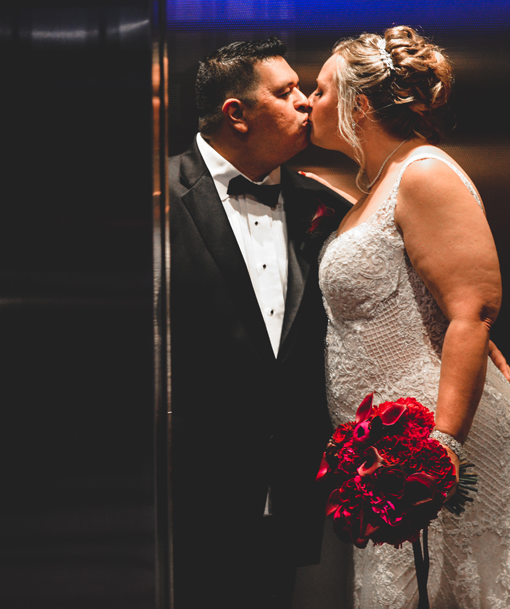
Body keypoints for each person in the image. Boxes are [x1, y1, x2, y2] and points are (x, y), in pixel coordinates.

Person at [308, 26, 510, 609]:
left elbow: (473, 309)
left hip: (437, 443)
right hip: (388, 459)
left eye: (317, 90)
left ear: (357, 105)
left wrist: (441, 448)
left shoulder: (423, 172)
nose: (306, 103)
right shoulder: (375, 182)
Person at [166, 38, 353, 609]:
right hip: (184, 491)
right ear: (236, 113)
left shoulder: (325, 208)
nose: (306, 103)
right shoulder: (153, 195)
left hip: (289, 484)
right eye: (286, 91)